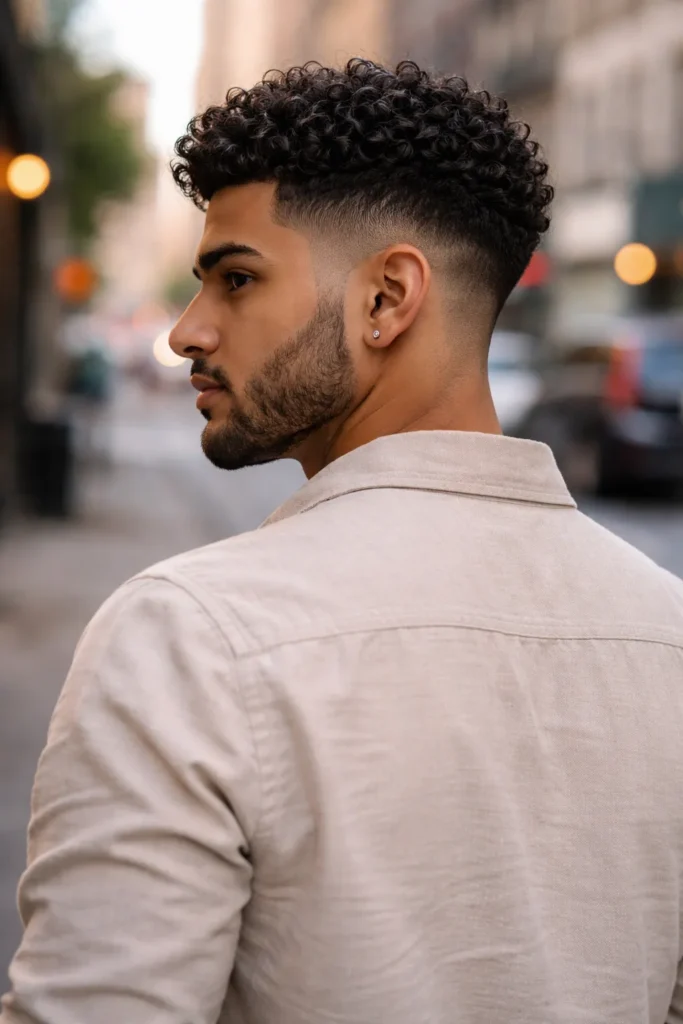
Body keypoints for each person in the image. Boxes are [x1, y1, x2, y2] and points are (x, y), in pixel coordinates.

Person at [3, 59, 683, 1024]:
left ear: (385, 299)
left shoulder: (190, 638)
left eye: (237, 279)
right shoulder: (667, 631)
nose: (186, 333)